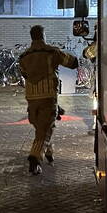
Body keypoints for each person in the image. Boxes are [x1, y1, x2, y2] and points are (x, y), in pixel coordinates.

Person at [18, 25, 78, 175]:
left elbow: (24, 74)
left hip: (31, 99)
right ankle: (35, 158)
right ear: (43, 36)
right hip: (47, 97)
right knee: (44, 129)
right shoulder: (51, 52)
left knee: (42, 128)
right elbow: (72, 63)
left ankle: (49, 152)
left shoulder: (23, 57)